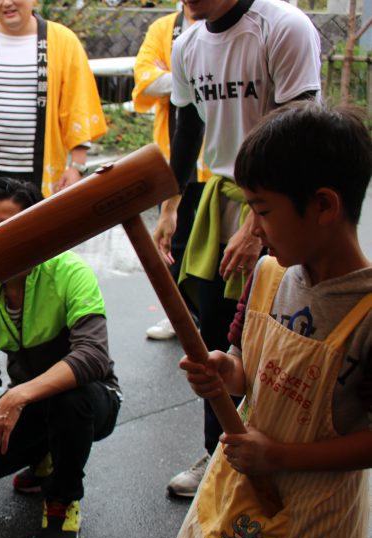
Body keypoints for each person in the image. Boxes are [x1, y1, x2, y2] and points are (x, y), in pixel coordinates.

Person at [148, 102, 372, 538]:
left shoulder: (366, 314)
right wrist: (228, 372)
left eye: (262, 210)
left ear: (323, 205)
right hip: (237, 489)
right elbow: (255, 371)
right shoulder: (270, 275)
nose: (254, 228)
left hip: (314, 521)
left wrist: (281, 457)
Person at [152, 0, 321, 498]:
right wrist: (169, 207)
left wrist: (258, 223)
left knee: (279, 335)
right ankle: (220, 449)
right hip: (218, 201)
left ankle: (284, 452)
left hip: (283, 204)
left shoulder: (282, 26)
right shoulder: (187, 44)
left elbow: (299, 133)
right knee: (214, 340)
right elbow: (187, 132)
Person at [0, 177, 121, 538]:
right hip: (30, 406)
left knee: (71, 402)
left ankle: (62, 499)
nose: (2, 237)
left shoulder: (68, 271)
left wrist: (17, 397)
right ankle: (44, 454)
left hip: (92, 400)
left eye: (14, 226)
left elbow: (93, 356)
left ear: (35, 227)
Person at [0, 0, 106, 225]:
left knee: (42, 251)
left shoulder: (63, 42)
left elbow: (77, 105)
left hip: (43, 175)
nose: (7, 3)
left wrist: (77, 167)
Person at [131, 2, 207, 342]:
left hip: (217, 164)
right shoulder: (164, 28)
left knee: (211, 243)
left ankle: (211, 314)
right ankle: (182, 315)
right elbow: (144, 80)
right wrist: (193, 74)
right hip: (173, 157)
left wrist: (175, 74)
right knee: (173, 240)